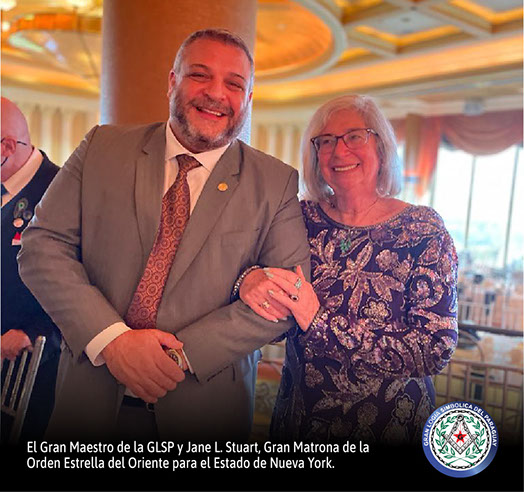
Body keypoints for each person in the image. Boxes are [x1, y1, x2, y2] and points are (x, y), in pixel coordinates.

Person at [18, 29, 310, 441]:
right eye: (200, 75)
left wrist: (177, 357)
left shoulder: (275, 182)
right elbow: (41, 246)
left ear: (248, 98)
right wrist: (114, 342)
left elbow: (288, 295)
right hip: (87, 403)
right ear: (172, 81)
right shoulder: (101, 147)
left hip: (206, 413)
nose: (216, 93)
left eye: (234, 84)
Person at [238, 94, 458, 445]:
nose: (339, 151)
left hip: (391, 425)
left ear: (381, 148)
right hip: (300, 422)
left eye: (355, 136)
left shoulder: (422, 229)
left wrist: (319, 323)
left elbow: (434, 349)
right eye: (325, 141)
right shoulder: (301, 218)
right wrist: (249, 280)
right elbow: (268, 304)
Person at [1, 97, 62, 442]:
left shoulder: (62, 190)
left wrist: (33, 331)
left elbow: (91, 280)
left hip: (34, 368)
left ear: (7, 147)